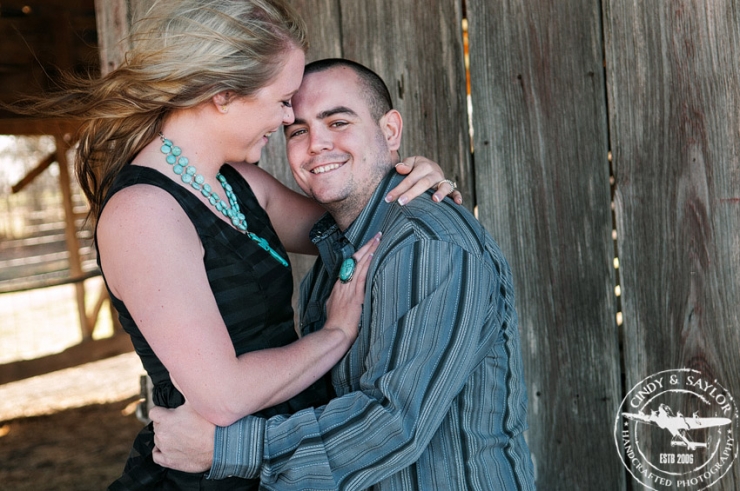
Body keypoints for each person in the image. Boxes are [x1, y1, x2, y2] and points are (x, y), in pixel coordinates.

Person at [15, 2, 459, 489]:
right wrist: (335, 333)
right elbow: (221, 395)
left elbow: (357, 222)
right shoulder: (143, 213)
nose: (289, 115)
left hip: (279, 454)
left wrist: (409, 180)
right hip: (208, 472)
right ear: (223, 95)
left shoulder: (237, 181)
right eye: (283, 99)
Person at [151, 58, 536, 490]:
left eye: (338, 121)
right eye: (298, 130)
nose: (316, 144)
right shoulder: (336, 249)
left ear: (390, 131)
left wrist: (226, 449)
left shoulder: (428, 245)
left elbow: (395, 420)